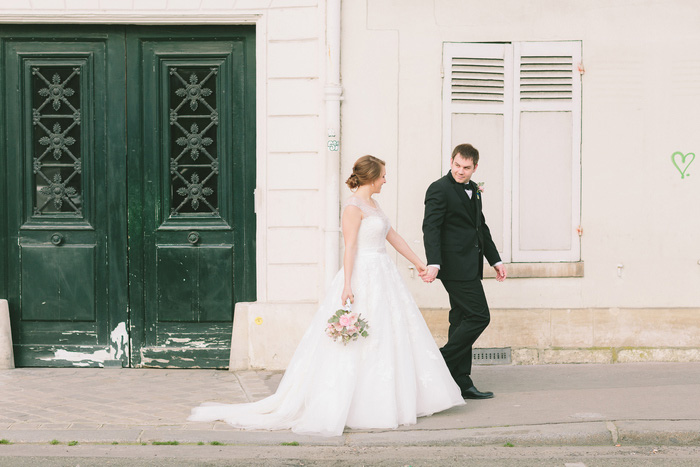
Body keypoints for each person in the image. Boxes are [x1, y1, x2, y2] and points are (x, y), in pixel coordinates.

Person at [189, 155, 464, 437]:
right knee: (362, 340)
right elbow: (350, 247)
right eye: (382, 175)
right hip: (362, 274)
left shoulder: (374, 204)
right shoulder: (353, 207)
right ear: (371, 177)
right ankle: (358, 405)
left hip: (384, 274)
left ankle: (389, 400)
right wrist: (347, 284)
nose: (385, 179)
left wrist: (419, 262)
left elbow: (392, 236)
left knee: (389, 335)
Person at [421, 143, 507, 400]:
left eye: (466, 168)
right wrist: (434, 262)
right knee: (479, 316)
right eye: (457, 165)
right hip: (454, 267)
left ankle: (461, 381)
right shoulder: (439, 189)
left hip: (472, 266)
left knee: (460, 320)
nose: (460, 171)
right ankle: (439, 362)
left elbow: (480, 227)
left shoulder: (475, 190)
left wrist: (495, 260)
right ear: (451, 161)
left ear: (475, 168)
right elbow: (431, 228)